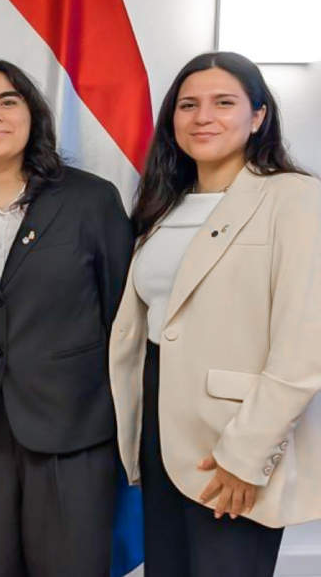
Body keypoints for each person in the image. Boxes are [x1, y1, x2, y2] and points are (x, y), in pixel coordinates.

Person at [109, 51, 321, 577]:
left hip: (233, 442)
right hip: (159, 432)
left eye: (223, 102)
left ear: (258, 116)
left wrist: (246, 455)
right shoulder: (164, 206)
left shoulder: (294, 199)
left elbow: (304, 346)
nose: (202, 116)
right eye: (187, 105)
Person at [0, 59, 132, 577]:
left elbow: (123, 318)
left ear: (33, 115)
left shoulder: (90, 200)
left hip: (74, 431)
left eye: (7, 101)